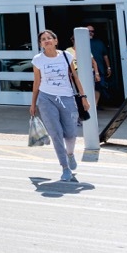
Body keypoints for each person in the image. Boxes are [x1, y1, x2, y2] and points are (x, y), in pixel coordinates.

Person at [30, 29, 88, 183]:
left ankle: (70, 154)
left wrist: (83, 97)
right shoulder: (38, 59)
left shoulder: (66, 55)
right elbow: (37, 82)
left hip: (67, 97)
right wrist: (33, 103)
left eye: (50, 37)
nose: (47, 40)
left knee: (70, 133)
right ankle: (64, 168)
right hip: (45, 99)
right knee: (56, 134)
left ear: (56, 41)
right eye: (43, 39)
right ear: (40, 44)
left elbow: (75, 77)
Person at [86, 25, 112, 105]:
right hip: (86, 69)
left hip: (99, 69)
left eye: (92, 31)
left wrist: (108, 67)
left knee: (99, 87)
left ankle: (95, 105)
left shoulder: (99, 42)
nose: (90, 33)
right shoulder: (80, 43)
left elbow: (105, 56)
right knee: (87, 87)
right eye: (88, 31)